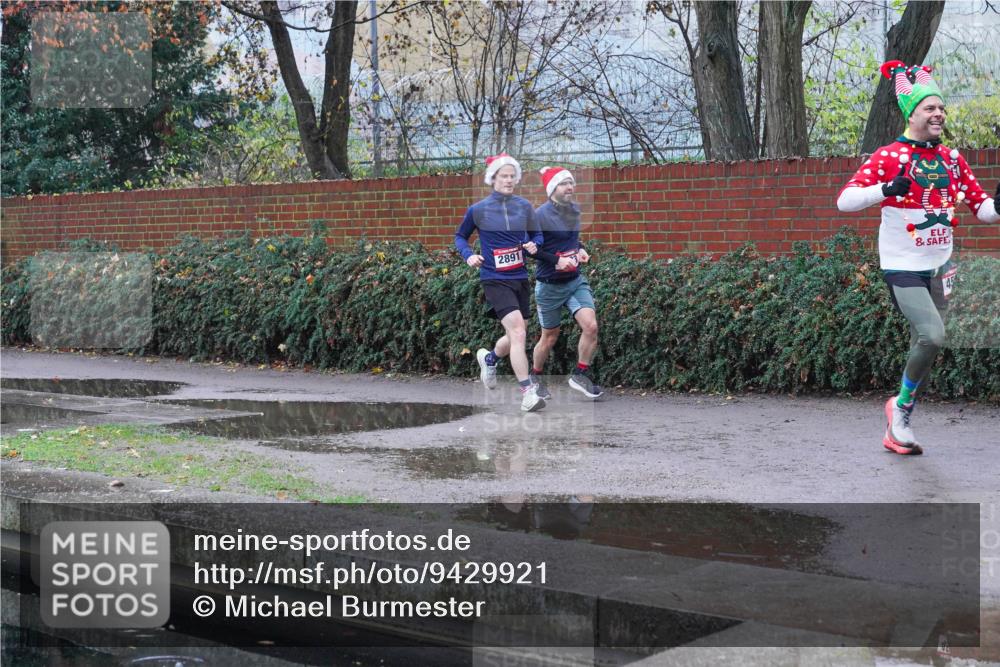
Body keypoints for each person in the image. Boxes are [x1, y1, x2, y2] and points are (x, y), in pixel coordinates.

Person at [837, 60, 999, 455]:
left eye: (941, 107)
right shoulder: (889, 156)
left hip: (941, 267)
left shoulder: (952, 160)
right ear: (912, 114)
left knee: (924, 348)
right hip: (902, 266)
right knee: (933, 335)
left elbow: (983, 210)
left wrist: (999, 205)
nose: (939, 113)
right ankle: (902, 412)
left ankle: (898, 413)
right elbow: (845, 201)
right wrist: (885, 189)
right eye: (930, 108)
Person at [455, 153, 546, 412]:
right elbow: (460, 237)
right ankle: (528, 393)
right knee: (518, 333)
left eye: (512, 176)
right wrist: (469, 255)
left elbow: (538, 235)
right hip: (494, 278)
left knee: (517, 333)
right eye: (503, 176)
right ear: (492, 178)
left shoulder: (524, 207)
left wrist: (534, 244)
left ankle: (490, 359)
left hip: (519, 277)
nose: (508, 180)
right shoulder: (479, 210)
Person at [528, 166, 603, 400]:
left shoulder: (575, 209)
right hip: (549, 285)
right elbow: (530, 250)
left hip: (574, 281)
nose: (569, 187)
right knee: (550, 336)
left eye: (571, 182)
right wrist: (556, 261)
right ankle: (535, 378)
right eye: (563, 183)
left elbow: (572, 239)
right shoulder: (540, 215)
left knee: (591, 327)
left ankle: (580, 375)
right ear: (552, 189)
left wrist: (580, 250)